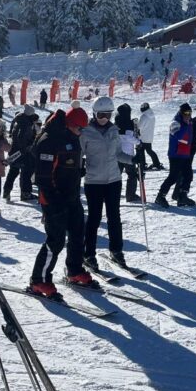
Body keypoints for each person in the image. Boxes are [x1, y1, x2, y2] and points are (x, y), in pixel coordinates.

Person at [28, 108, 93, 296]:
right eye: (80, 128)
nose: (81, 132)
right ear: (70, 124)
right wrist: (54, 200)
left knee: (78, 233)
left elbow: (66, 164)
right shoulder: (50, 140)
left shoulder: (71, 136)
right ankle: (39, 280)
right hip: (53, 199)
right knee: (55, 240)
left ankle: (74, 270)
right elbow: (43, 177)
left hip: (71, 196)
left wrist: (77, 172)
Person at [80, 97, 134, 269]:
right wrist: (78, 168)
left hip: (113, 180)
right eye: (101, 115)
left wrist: (133, 159)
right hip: (94, 182)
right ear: (94, 113)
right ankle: (88, 254)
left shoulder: (114, 130)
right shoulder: (85, 132)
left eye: (108, 115)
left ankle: (116, 250)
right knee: (94, 219)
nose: (104, 118)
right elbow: (79, 154)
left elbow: (118, 154)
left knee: (114, 218)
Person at [155, 103, 195, 208]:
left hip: (185, 154)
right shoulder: (175, 123)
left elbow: (189, 137)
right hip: (176, 154)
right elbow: (178, 136)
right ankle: (160, 196)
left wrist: (192, 145)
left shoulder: (189, 122)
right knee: (173, 177)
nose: (188, 115)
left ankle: (182, 196)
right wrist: (185, 125)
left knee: (188, 175)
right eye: (186, 113)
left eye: (190, 113)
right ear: (181, 113)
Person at [3, 105, 39, 201]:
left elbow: (14, 135)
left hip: (14, 150)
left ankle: (6, 191)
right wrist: (28, 146)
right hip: (23, 153)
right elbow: (22, 138)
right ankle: (25, 193)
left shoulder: (18, 120)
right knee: (26, 173)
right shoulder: (26, 124)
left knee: (13, 171)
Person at [114, 103, 141, 203]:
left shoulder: (116, 122)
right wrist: (138, 141)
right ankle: (130, 195)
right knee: (132, 175)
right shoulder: (128, 123)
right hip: (128, 154)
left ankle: (112, 194)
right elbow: (129, 137)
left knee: (116, 176)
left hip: (117, 153)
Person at [138, 102, 164, 169]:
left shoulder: (144, 116)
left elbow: (139, 126)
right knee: (149, 150)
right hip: (149, 136)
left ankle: (143, 164)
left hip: (143, 136)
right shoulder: (152, 115)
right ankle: (156, 163)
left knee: (141, 150)